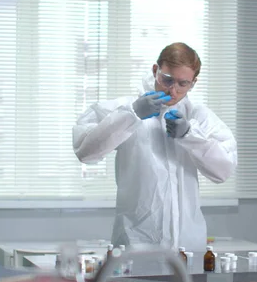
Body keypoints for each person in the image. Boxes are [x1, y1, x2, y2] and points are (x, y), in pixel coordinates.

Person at [72, 42, 237, 253]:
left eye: (182, 84)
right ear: (155, 70)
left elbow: (223, 170)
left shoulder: (199, 117)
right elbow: (85, 151)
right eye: (167, 79)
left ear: (193, 83)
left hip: (187, 246)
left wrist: (190, 136)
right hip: (136, 241)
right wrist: (130, 116)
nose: (173, 89)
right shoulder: (125, 108)